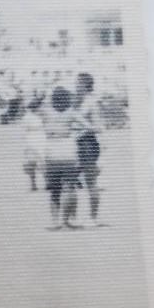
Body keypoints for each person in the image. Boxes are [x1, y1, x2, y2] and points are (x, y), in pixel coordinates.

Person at [42, 86, 91, 230]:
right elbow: (89, 127)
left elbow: (30, 107)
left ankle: (55, 221)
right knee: (70, 187)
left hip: (51, 151)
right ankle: (70, 219)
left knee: (54, 189)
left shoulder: (46, 111)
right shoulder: (71, 113)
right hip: (68, 150)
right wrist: (76, 134)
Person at [74, 72, 104, 226]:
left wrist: (83, 128)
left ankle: (93, 218)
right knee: (69, 180)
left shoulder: (92, 102)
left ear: (85, 85)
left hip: (87, 144)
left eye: (78, 83)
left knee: (90, 182)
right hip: (74, 144)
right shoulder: (76, 101)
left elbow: (100, 127)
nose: (75, 85)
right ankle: (72, 218)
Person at [22, 92, 47, 191]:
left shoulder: (42, 116)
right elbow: (24, 130)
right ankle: (34, 183)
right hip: (35, 138)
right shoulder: (28, 117)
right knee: (35, 162)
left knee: (40, 161)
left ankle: (41, 182)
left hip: (38, 137)